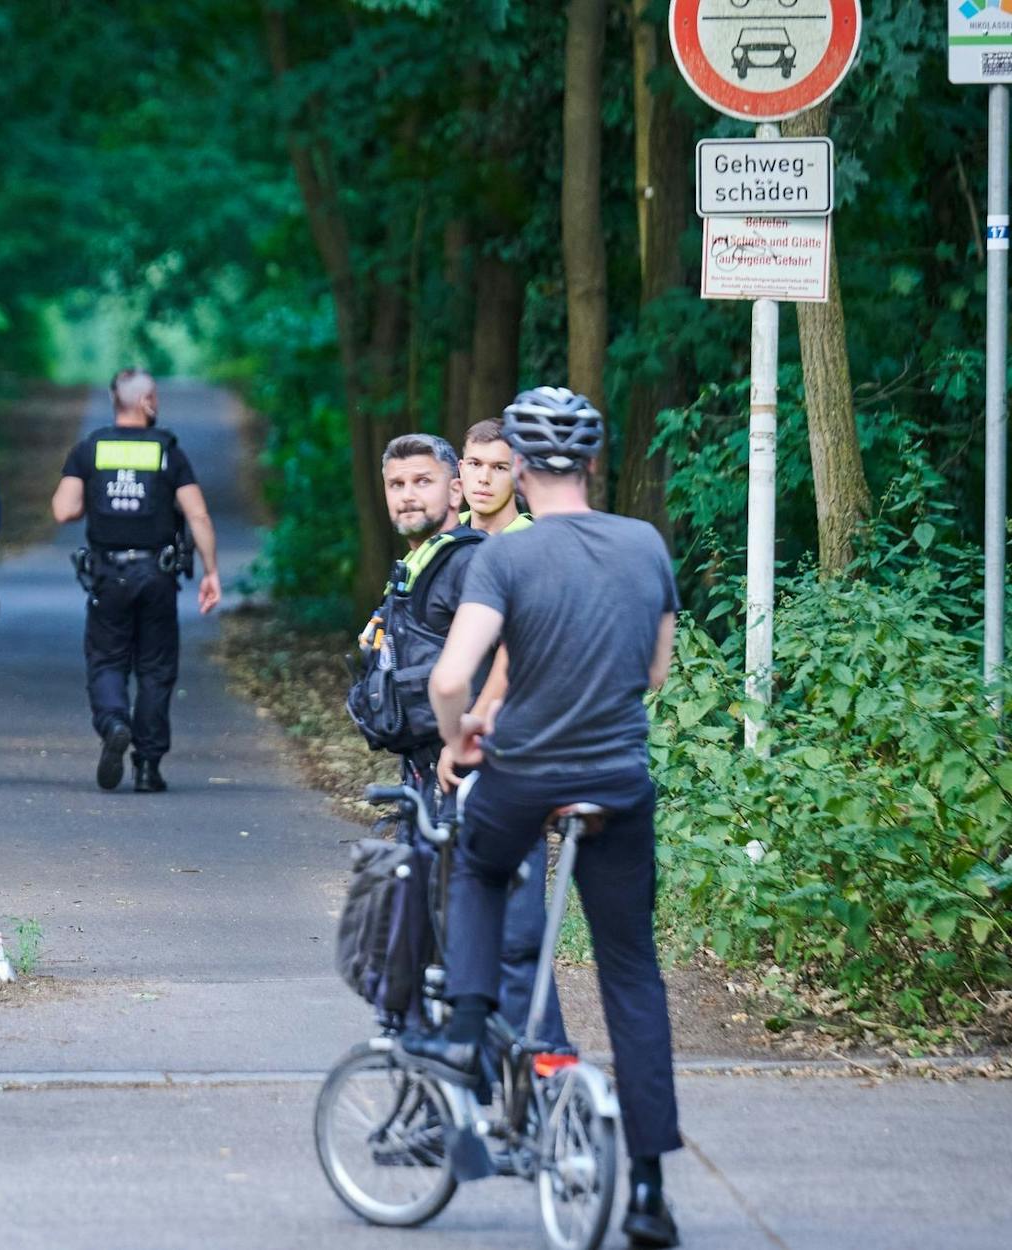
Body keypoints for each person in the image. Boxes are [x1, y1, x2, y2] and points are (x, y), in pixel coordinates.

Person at [403, 387, 682, 1248]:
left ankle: (460, 1035)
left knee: (480, 866)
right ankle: (646, 1194)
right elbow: (657, 673)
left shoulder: (505, 559)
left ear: (519, 470)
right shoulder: (645, 545)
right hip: (619, 780)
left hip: (525, 774)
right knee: (631, 974)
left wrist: (462, 740)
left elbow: (452, 682)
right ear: (594, 464)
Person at [359, 433, 567, 1052]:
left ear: (454, 491)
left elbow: (519, 645)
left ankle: (541, 1075)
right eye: (396, 484)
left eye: (422, 481)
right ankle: (454, 1096)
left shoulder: (471, 559)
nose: (406, 495)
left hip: (473, 778)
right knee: (442, 945)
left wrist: (467, 731)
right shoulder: (428, 560)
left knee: (498, 942)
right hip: (426, 779)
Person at [51, 369, 221, 792]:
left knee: (107, 659)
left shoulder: (90, 450)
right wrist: (211, 571)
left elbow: (63, 510)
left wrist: (99, 498)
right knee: (155, 669)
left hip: (108, 575)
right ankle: (147, 766)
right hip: (157, 575)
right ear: (146, 402)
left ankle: (113, 723)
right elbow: (197, 514)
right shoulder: (169, 452)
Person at [456, 417, 532, 536]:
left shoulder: (537, 543)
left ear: (518, 474)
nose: (484, 478)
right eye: (475, 464)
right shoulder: (443, 535)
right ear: (461, 469)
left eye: (499, 467)